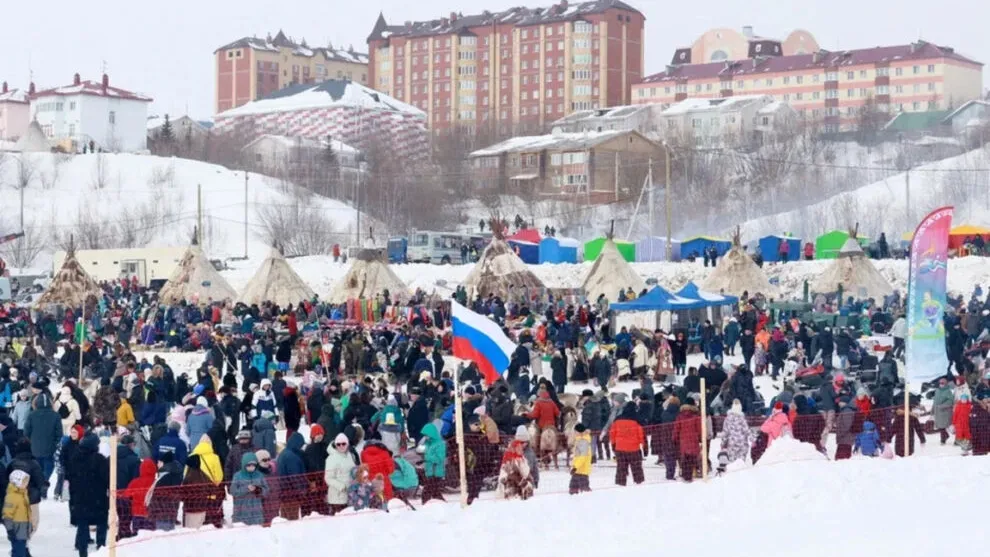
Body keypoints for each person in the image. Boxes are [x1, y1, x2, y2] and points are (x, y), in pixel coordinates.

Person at [70, 434, 109, 557]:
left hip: (80, 498)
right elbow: (107, 478)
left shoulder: (75, 459)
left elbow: (71, 477)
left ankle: (82, 552)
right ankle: (100, 548)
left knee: (82, 525)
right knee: (101, 523)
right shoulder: (100, 460)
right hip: (98, 497)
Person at [23, 392, 61, 498]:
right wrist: (55, 443)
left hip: (34, 447)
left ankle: (39, 486)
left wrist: (31, 441)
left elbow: (26, 432)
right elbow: (59, 433)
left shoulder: (31, 415)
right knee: (48, 468)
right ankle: (44, 482)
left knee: (37, 468)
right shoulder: (56, 416)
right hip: (50, 448)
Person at [609, 402, 645, 486]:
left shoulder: (617, 419)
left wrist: (613, 444)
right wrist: (643, 444)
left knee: (621, 467)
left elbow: (612, 433)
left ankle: (620, 483)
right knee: (636, 467)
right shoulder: (637, 419)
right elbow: (641, 434)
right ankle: (638, 482)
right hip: (633, 448)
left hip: (620, 448)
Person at [230, 453, 269, 526]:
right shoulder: (237, 476)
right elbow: (233, 491)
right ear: (244, 464)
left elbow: (266, 491)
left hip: (256, 512)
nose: (251, 467)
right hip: (241, 512)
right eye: (249, 465)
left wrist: (258, 489)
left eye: (253, 465)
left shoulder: (259, 475)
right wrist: (246, 489)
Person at [324, 433, 355, 515]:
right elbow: (328, 478)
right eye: (338, 444)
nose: (341, 446)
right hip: (337, 497)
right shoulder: (331, 458)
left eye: (343, 444)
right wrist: (341, 486)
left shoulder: (350, 455)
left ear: (347, 444)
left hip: (350, 495)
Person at [3, 470, 32, 557]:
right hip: (16, 530)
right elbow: (7, 515)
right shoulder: (12, 496)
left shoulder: (23, 493)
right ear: (17, 482)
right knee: (19, 552)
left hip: (23, 529)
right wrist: (10, 530)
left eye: (26, 482)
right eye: (24, 482)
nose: (26, 484)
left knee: (21, 550)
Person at [672, 399, 701, 482]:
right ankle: (690, 475)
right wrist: (700, 437)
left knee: (685, 458)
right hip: (693, 440)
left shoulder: (680, 416)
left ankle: (685, 475)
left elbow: (676, 429)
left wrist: (675, 438)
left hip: (683, 440)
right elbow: (699, 429)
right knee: (692, 458)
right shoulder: (696, 416)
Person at [720, 399, 754, 464]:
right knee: (740, 464)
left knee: (732, 463)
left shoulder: (727, 419)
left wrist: (723, 443)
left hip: (732, 444)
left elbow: (725, 432)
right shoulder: (742, 419)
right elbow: (747, 431)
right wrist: (753, 440)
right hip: (742, 444)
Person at [420, 423, 447, 504]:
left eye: (426, 435)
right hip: (429, 471)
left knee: (427, 492)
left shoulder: (440, 444)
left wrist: (428, 457)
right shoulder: (428, 443)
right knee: (435, 493)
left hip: (436, 472)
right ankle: (444, 505)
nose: (425, 437)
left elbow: (440, 459)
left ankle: (424, 506)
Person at [569, 424, 592, 495]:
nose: (574, 433)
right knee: (572, 489)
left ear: (579, 432)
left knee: (585, 491)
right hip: (578, 471)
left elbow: (583, 457)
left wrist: (575, 467)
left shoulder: (583, 441)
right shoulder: (579, 440)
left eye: (575, 431)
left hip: (582, 471)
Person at [932, 377, 955, 445]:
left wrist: (943, 406)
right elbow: (935, 401)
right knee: (940, 426)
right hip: (937, 411)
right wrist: (932, 410)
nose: (941, 384)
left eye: (942, 383)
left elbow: (950, 401)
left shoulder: (948, 391)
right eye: (940, 383)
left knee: (942, 426)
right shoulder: (937, 390)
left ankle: (943, 440)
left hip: (945, 412)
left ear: (946, 384)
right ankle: (945, 436)